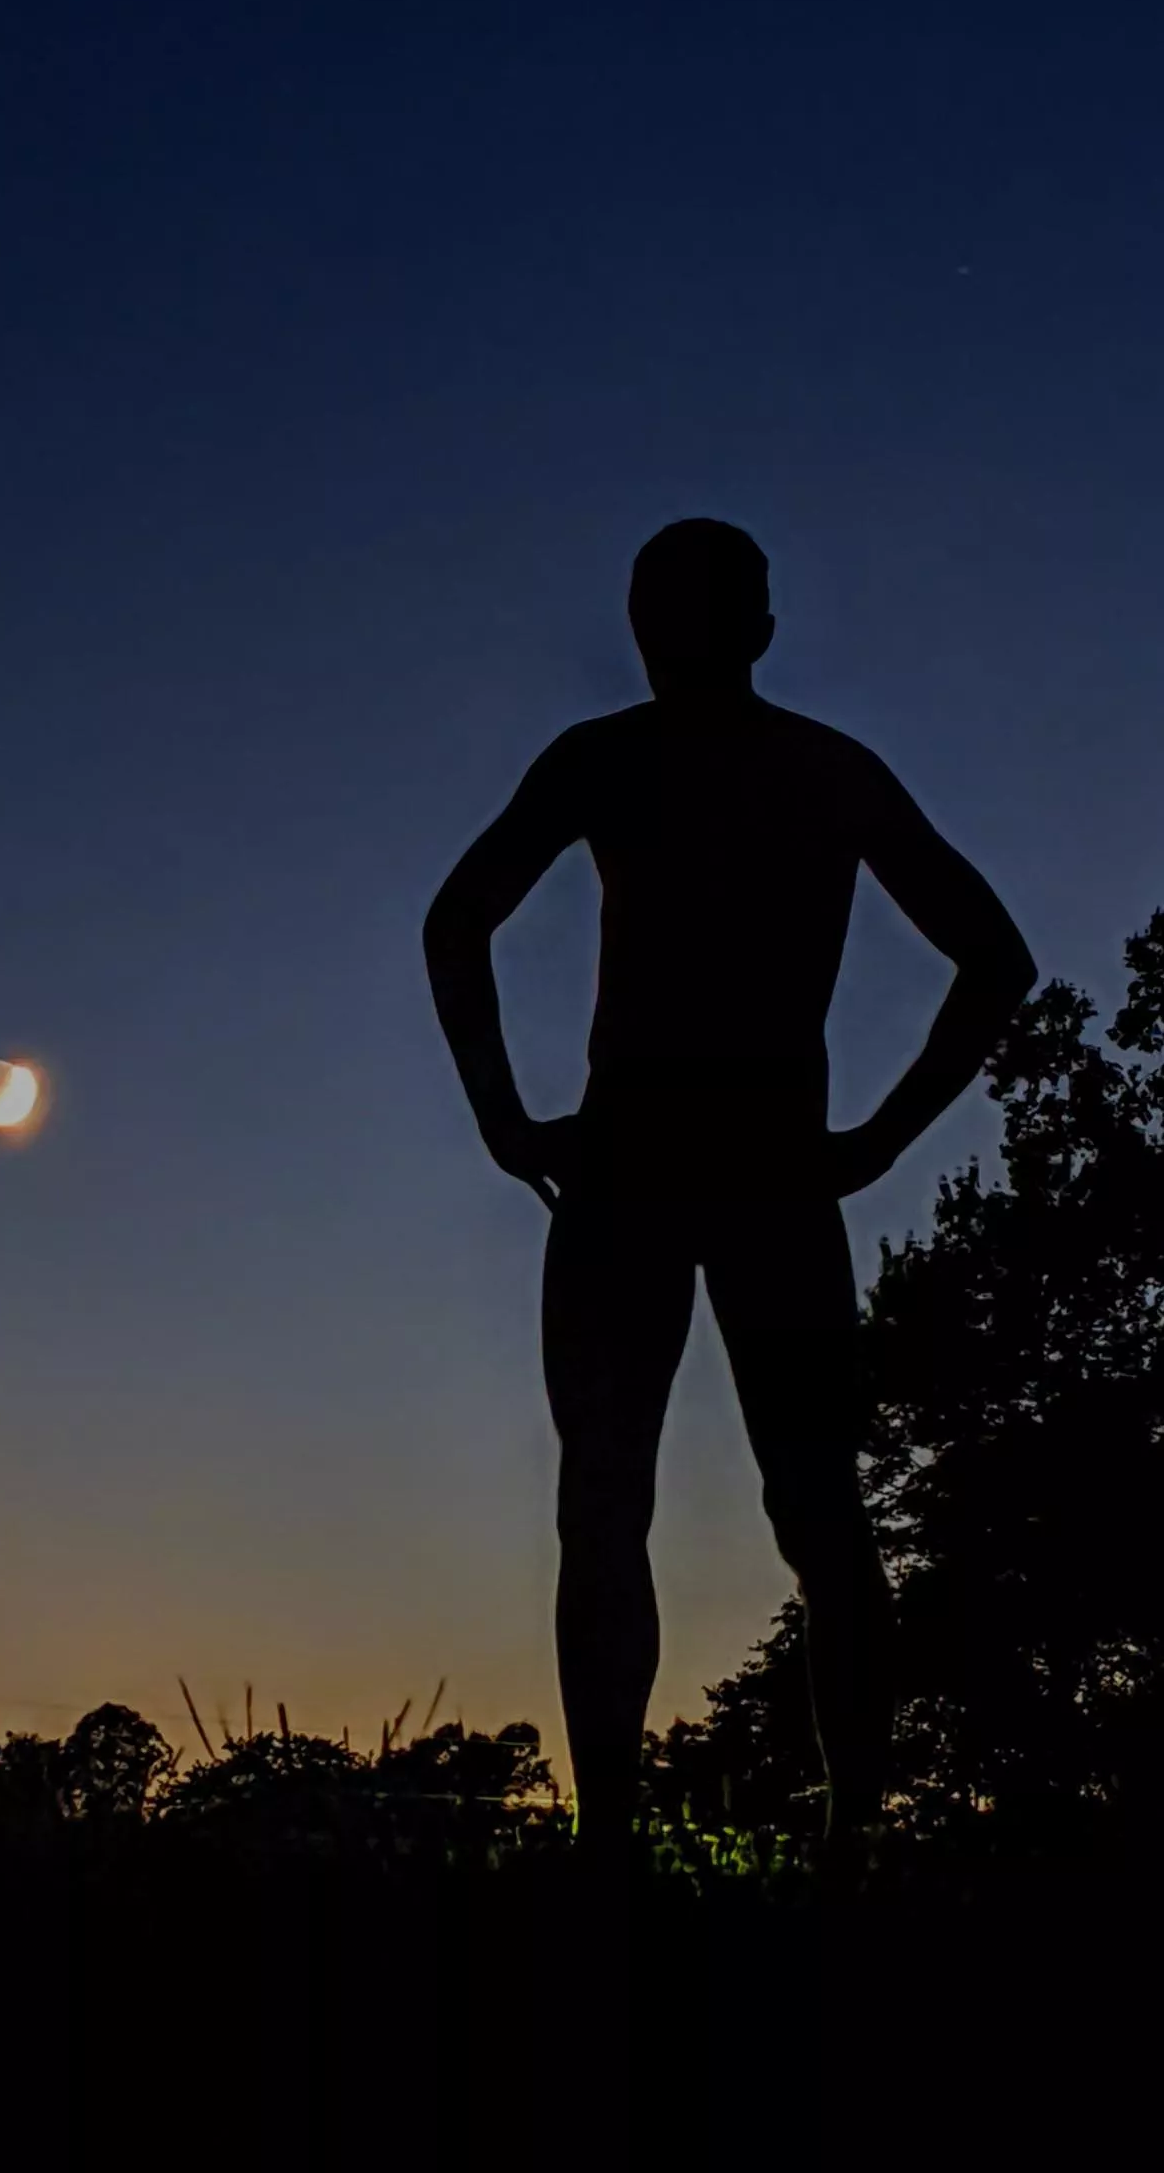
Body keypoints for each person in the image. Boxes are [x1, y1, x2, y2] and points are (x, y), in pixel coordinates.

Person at [423, 518, 1036, 1874]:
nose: (667, 632)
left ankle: (800, 1828)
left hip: (706, 1162)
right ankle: (673, 1830)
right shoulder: (749, 767)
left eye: (680, 608)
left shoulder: (731, 766)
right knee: (691, 1502)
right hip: (690, 1162)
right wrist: (502, 1115)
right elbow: (454, 922)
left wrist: (876, 1138)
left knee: (748, 1505)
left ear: (748, 627)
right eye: (658, 607)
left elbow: (997, 958)